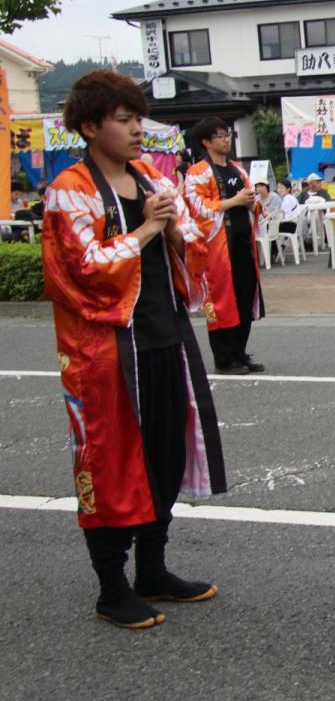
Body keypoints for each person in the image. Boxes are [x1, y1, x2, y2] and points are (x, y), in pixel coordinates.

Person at [41, 70, 225, 630]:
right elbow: (80, 267)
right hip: (107, 347)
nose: (137, 130)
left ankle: (153, 568)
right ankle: (111, 586)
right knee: (111, 460)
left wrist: (171, 231)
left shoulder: (146, 175)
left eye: (137, 118)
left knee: (164, 452)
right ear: (91, 126)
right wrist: (147, 231)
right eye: (124, 120)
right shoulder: (70, 187)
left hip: (163, 334)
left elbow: (193, 235)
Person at [185, 117, 266, 375]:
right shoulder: (197, 172)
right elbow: (196, 209)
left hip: (242, 244)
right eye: (219, 136)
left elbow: (250, 200)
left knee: (245, 296)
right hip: (218, 250)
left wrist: (253, 202)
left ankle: (240, 351)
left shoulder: (237, 169)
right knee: (220, 302)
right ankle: (224, 358)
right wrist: (233, 202)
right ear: (206, 142)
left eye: (227, 134)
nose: (226, 139)